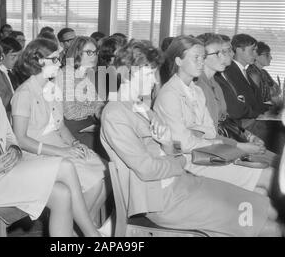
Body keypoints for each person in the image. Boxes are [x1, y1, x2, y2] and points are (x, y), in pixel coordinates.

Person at [100, 41, 281, 237]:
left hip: (182, 183)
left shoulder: (141, 107)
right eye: (147, 74)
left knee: (265, 207)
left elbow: (174, 146)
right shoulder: (115, 113)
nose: (153, 80)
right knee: (269, 226)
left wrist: (170, 147)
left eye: (153, 73)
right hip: (162, 200)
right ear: (126, 72)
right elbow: (147, 169)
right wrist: (177, 160)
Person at [0, 33, 100, 237]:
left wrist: (13, 149)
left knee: (62, 194)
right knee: (65, 166)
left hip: (4, 172)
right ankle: (94, 236)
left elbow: (10, 137)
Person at [154, 35, 273, 193]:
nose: (201, 62)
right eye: (195, 57)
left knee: (262, 189)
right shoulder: (169, 94)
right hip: (188, 161)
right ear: (178, 61)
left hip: (208, 153)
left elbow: (210, 131)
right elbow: (183, 144)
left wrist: (200, 136)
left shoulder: (196, 91)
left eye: (202, 57)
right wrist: (210, 141)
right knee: (270, 176)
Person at [11, 38, 108, 223]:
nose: (60, 63)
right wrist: (63, 150)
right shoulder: (24, 94)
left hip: (58, 145)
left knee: (104, 176)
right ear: (39, 61)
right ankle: (81, 230)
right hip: (36, 153)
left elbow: (61, 126)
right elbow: (21, 140)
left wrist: (75, 144)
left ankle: (85, 227)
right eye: (55, 59)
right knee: (95, 184)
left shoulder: (51, 88)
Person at [195, 33, 276, 164]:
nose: (229, 55)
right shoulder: (200, 87)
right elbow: (208, 134)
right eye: (218, 53)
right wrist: (241, 146)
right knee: (275, 166)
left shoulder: (214, 83)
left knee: (276, 161)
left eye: (225, 51)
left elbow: (226, 119)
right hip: (214, 150)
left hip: (228, 140)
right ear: (203, 58)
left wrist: (249, 136)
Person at [62, 36, 107, 158]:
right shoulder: (67, 74)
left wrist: (101, 112)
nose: (94, 56)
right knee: (106, 147)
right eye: (89, 52)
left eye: (95, 52)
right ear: (77, 53)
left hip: (87, 123)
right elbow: (71, 113)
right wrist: (94, 109)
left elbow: (98, 101)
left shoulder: (86, 73)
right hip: (70, 128)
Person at [0, 37, 22, 114]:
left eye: (18, 56)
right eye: (13, 56)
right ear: (2, 56)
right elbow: (3, 103)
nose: (17, 59)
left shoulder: (16, 71)